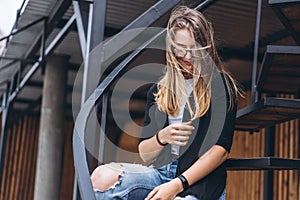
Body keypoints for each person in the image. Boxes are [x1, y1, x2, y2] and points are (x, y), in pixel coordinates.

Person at [91, 5, 240, 200]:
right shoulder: (159, 90)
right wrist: (162, 136)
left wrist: (177, 185)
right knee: (101, 177)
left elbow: (219, 151)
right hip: (160, 174)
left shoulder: (220, 85)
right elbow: (145, 154)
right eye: (181, 49)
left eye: (193, 48)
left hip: (197, 183)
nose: (187, 56)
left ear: (204, 46)